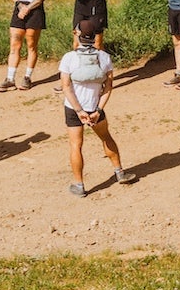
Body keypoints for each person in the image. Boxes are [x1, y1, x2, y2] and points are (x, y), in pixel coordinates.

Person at [58, 27, 139, 197]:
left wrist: (79, 110)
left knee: (76, 146)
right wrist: (98, 109)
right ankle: (119, 172)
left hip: (73, 108)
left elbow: (65, 87)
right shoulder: (104, 57)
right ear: (95, 37)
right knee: (106, 137)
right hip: (95, 107)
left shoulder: (69, 58)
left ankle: (79, 185)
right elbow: (108, 86)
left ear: (78, 35)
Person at [0, 0, 51, 92]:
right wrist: (19, 5)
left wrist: (28, 8)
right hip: (20, 6)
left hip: (34, 9)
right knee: (15, 43)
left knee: (31, 44)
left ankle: (27, 77)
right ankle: (10, 78)